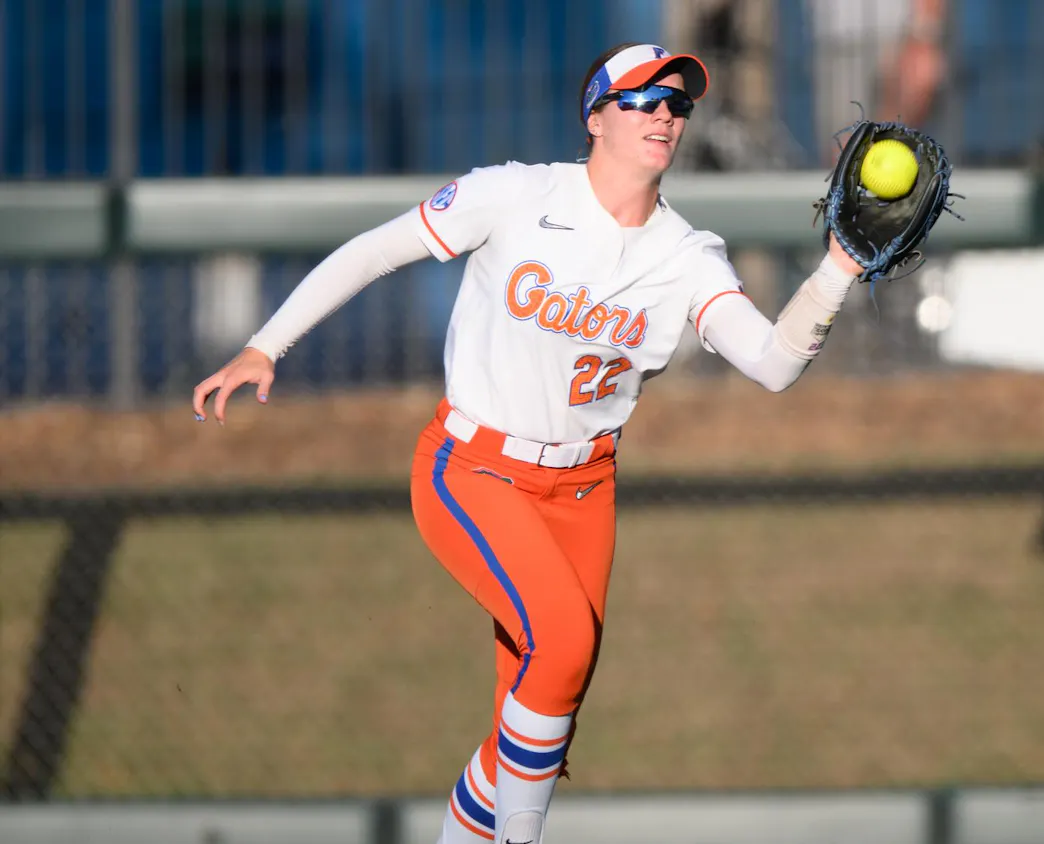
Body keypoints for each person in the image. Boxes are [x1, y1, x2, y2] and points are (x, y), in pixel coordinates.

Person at [191, 41, 864, 844]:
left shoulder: (688, 257)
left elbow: (774, 363)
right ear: (595, 118)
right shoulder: (514, 195)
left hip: (585, 491)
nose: (662, 116)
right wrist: (269, 343)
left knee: (548, 710)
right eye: (641, 100)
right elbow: (376, 250)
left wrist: (838, 268)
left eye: (676, 104)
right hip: (471, 468)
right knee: (563, 644)